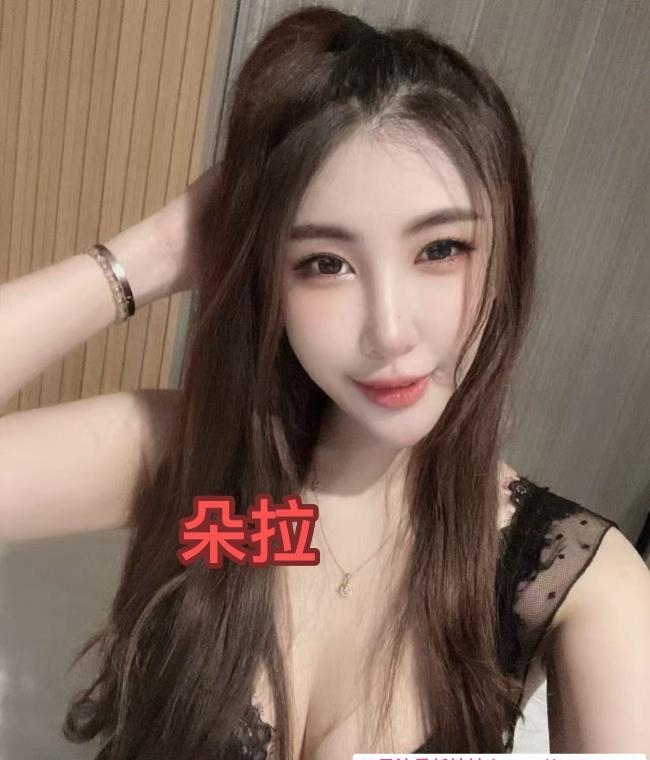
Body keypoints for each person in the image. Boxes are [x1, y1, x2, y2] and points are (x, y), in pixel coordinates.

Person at [1, 5, 648, 759]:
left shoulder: (569, 584)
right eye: (325, 263)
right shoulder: (195, 464)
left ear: (508, 249)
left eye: (441, 249)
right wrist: (155, 252)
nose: (390, 331)